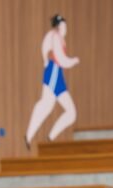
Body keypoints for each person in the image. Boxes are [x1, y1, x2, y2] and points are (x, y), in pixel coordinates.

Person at [24, 14, 80, 150]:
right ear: (59, 26)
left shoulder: (58, 38)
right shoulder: (54, 36)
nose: (65, 27)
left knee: (71, 112)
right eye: (63, 25)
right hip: (53, 73)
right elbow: (60, 58)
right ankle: (30, 135)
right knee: (46, 105)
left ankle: (49, 137)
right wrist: (73, 61)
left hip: (57, 74)